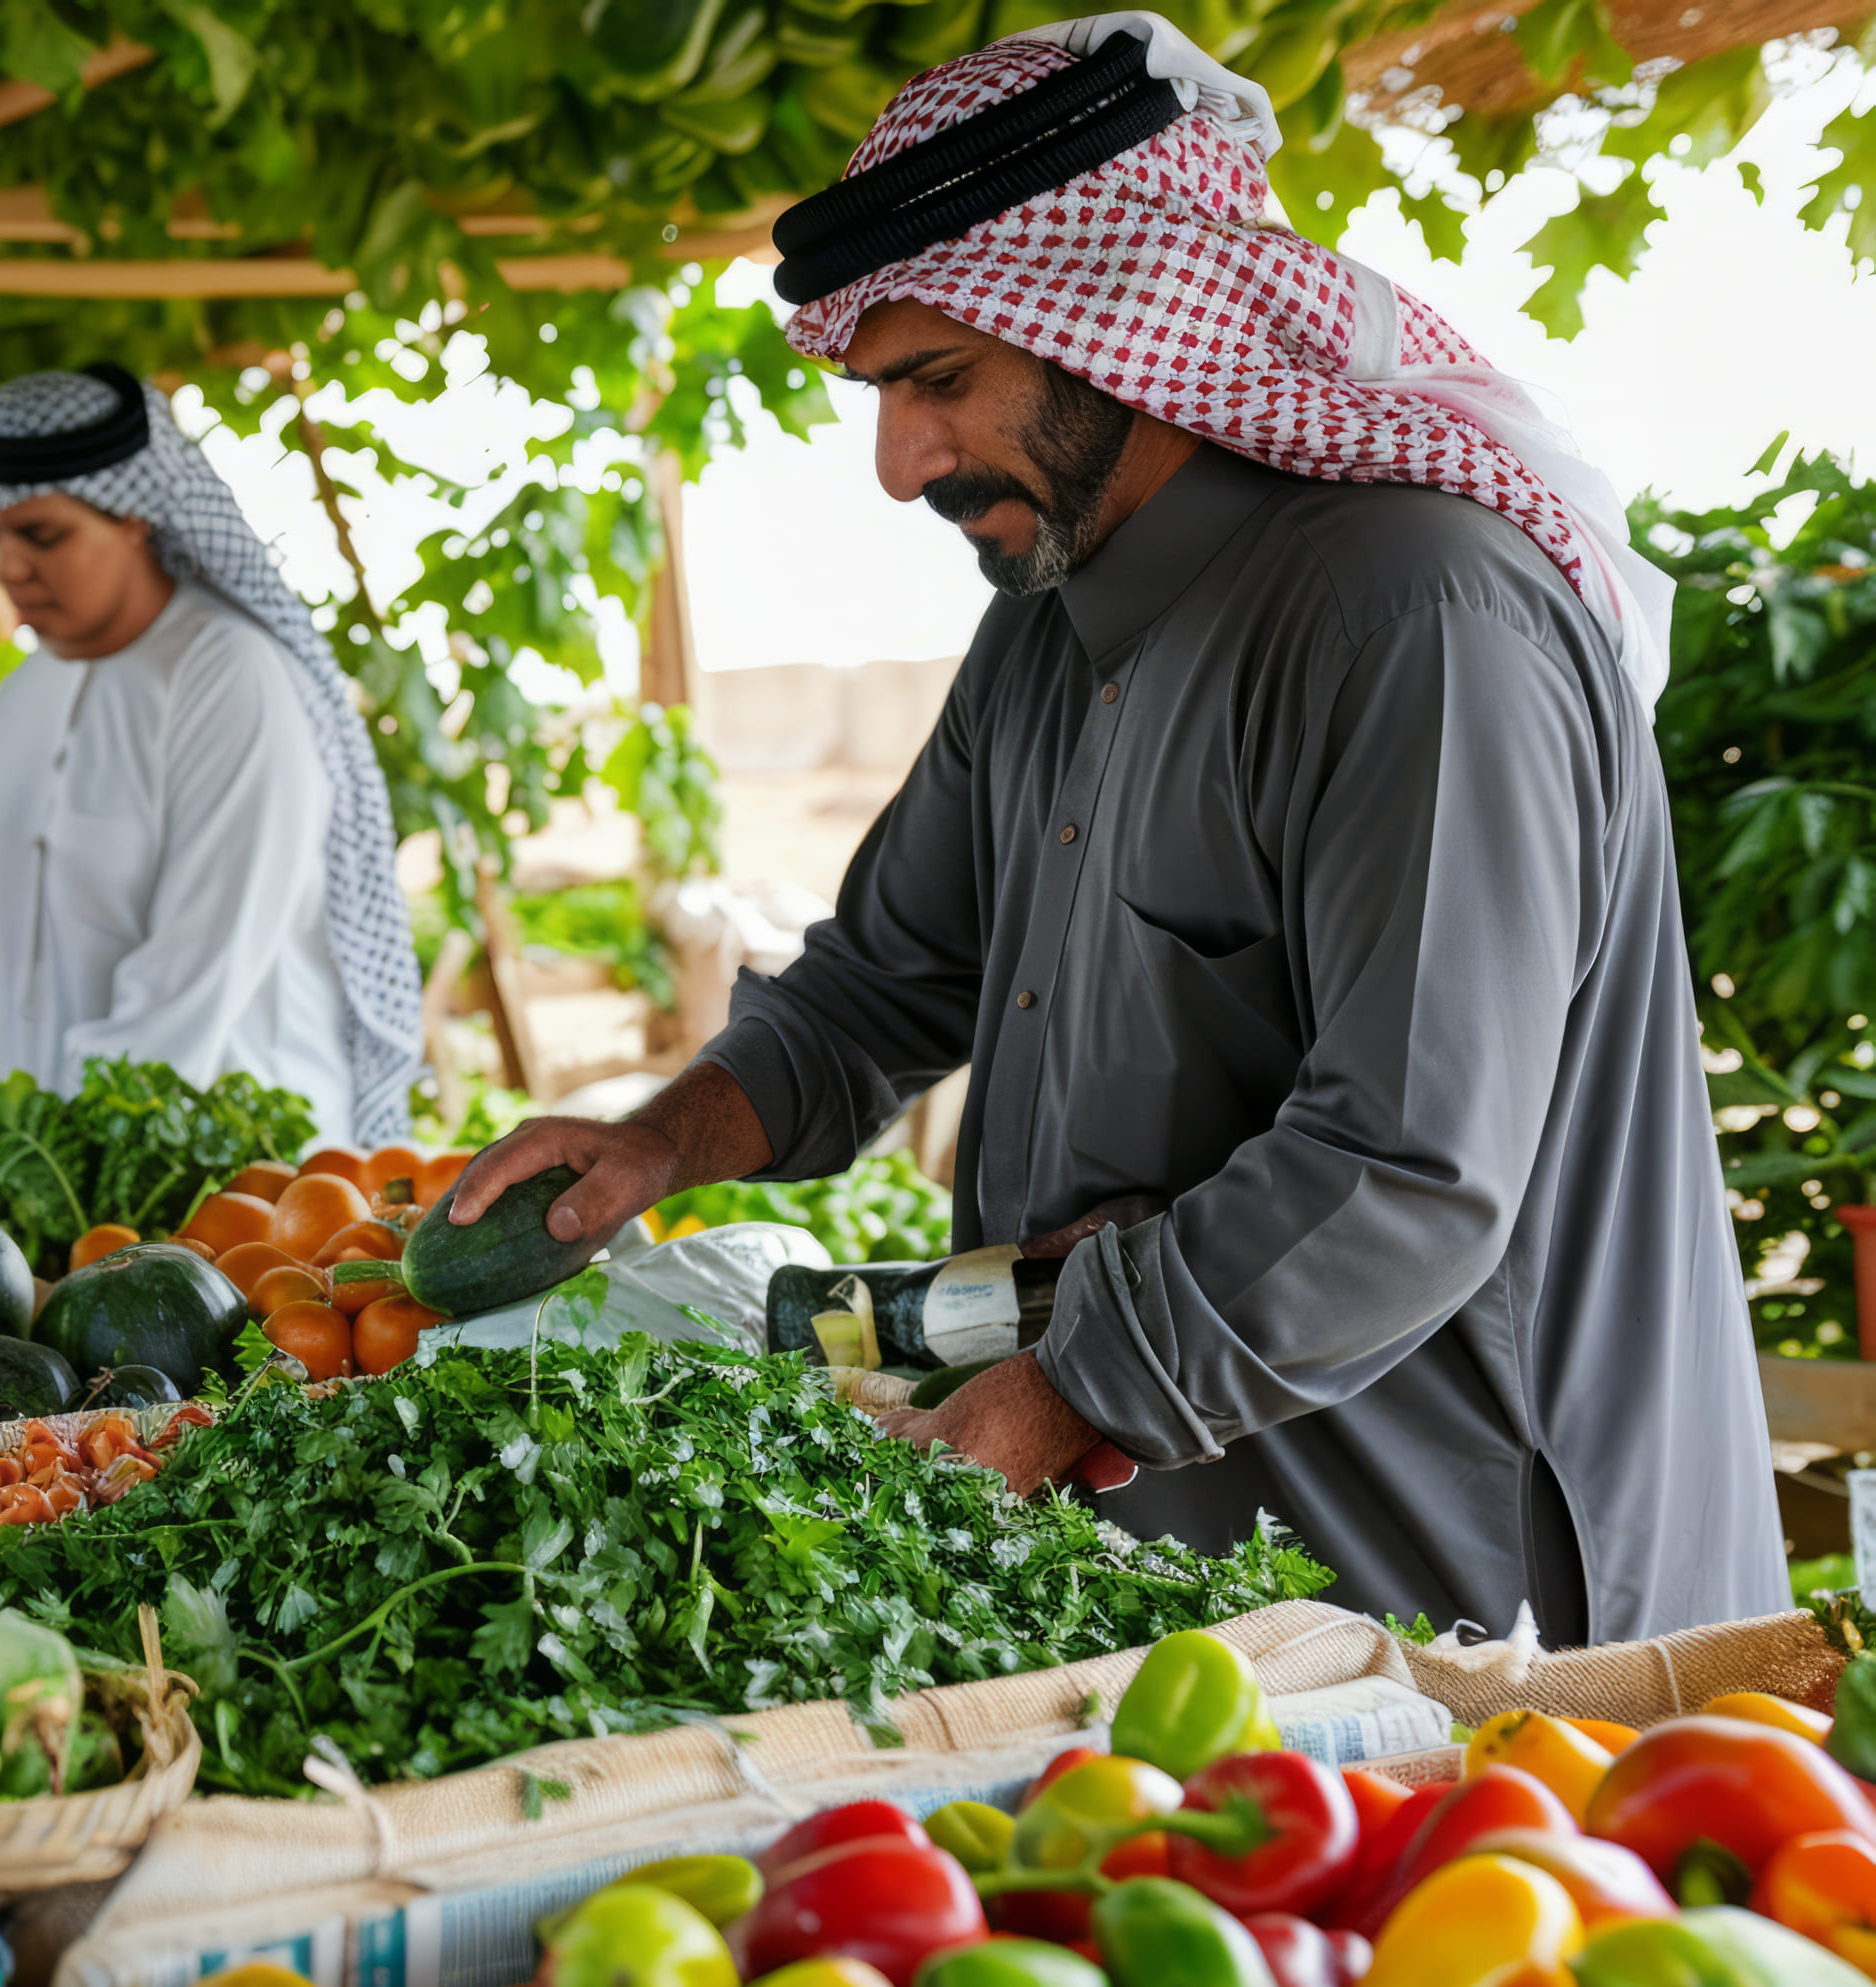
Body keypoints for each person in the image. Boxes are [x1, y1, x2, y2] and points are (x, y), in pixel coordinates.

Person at [450, 13, 1776, 1644]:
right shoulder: (1045, 619)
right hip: (1175, 1592)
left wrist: (1063, 1384)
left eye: (940, 381)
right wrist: (659, 1141)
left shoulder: (1416, 617)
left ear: (1129, 320)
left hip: (1473, 1604)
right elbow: (885, 983)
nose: (898, 463)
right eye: (880, 391)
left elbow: (1405, 1173)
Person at [0, 364, 426, 1147]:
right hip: (55, 1177)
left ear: (135, 517)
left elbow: (187, 984)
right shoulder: (30, 691)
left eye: (42, 534)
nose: (9, 566)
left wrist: (40, 1166)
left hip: (235, 1191)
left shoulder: (230, 679)